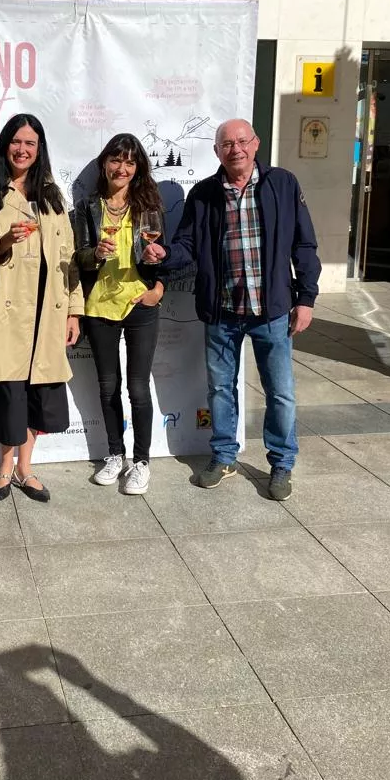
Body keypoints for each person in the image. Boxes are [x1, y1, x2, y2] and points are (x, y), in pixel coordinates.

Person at [143, 118, 321, 501]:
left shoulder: (283, 184)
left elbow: (304, 246)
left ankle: (281, 464)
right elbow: (187, 245)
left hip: (271, 310)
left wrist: (305, 299)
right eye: (227, 143)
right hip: (222, 312)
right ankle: (224, 456)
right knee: (221, 389)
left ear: (255, 144)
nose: (235, 149)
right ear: (217, 151)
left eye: (242, 141)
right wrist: (164, 254)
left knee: (281, 393)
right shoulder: (204, 194)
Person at [0, 113, 84, 502]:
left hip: (47, 311)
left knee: (39, 394)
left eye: (30, 143)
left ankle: (27, 469)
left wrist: (74, 311)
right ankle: (4, 467)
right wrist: (3, 241)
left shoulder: (51, 194)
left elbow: (68, 256)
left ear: (39, 149)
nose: (23, 150)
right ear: (6, 145)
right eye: (17, 142)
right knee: (9, 391)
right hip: (10, 311)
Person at [74, 133, 166, 495]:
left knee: (138, 387)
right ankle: (115, 454)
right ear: (104, 164)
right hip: (99, 304)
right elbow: (79, 256)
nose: (122, 168)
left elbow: (163, 257)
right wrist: (95, 253)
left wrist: (157, 291)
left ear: (138, 167)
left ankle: (141, 462)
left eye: (130, 162)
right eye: (116, 160)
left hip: (139, 304)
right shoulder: (87, 206)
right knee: (108, 386)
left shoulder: (149, 206)